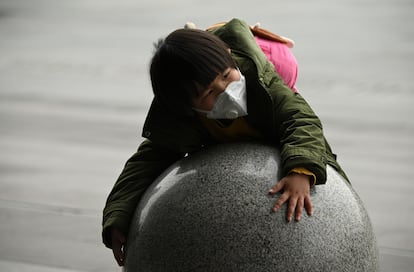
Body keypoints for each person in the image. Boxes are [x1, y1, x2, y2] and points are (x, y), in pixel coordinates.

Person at [102, 18, 349, 266]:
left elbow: (301, 119)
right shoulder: (180, 120)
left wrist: (302, 170)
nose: (224, 90)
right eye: (209, 93)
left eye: (225, 75)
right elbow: (144, 164)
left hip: (282, 157)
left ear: (230, 57)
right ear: (186, 107)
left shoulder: (263, 83)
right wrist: (119, 218)